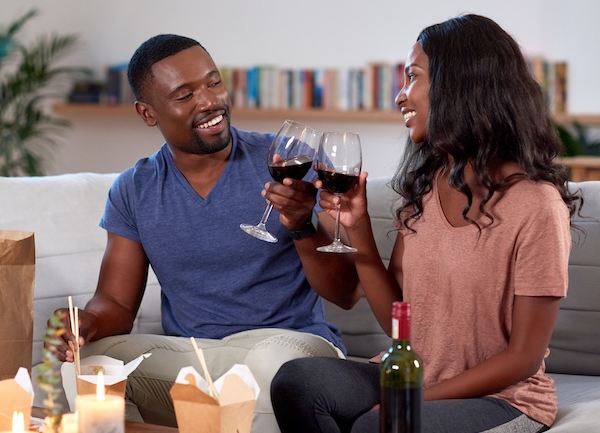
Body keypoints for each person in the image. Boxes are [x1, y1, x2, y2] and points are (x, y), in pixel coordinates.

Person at [271, 14, 583, 433]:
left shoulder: (536, 204)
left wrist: (409, 400)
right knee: (299, 382)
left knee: (380, 426)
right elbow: (399, 324)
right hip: (414, 377)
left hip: (505, 400)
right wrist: (357, 227)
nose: (401, 96)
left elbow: (523, 357)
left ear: (459, 85)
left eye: (413, 77)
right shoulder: (428, 189)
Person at [49, 34, 361, 432]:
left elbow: (346, 292)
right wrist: (84, 323)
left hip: (289, 347)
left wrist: (301, 225)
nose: (210, 101)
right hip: (194, 354)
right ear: (148, 113)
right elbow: (115, 303)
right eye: (185, 94)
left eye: (213, 83)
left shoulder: (288, 160)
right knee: (90, 367)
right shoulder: (135, 189)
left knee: (270, 371)